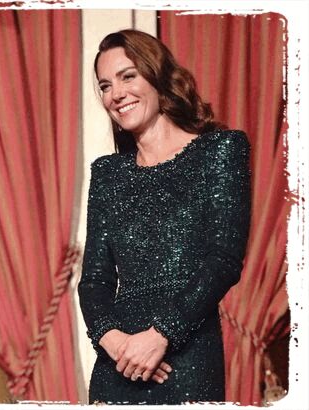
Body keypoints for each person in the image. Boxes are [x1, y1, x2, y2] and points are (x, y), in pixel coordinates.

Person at [78, 29, 251, 404]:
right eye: (105, 86)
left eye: (128, 76)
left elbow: (223, 260)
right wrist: (116, 343)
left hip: (187, 357)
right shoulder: (108, 174)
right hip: (117, 364)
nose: (116, 94)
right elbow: (94, 281)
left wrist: (161, 336)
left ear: (157, 76)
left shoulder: (221, 151)